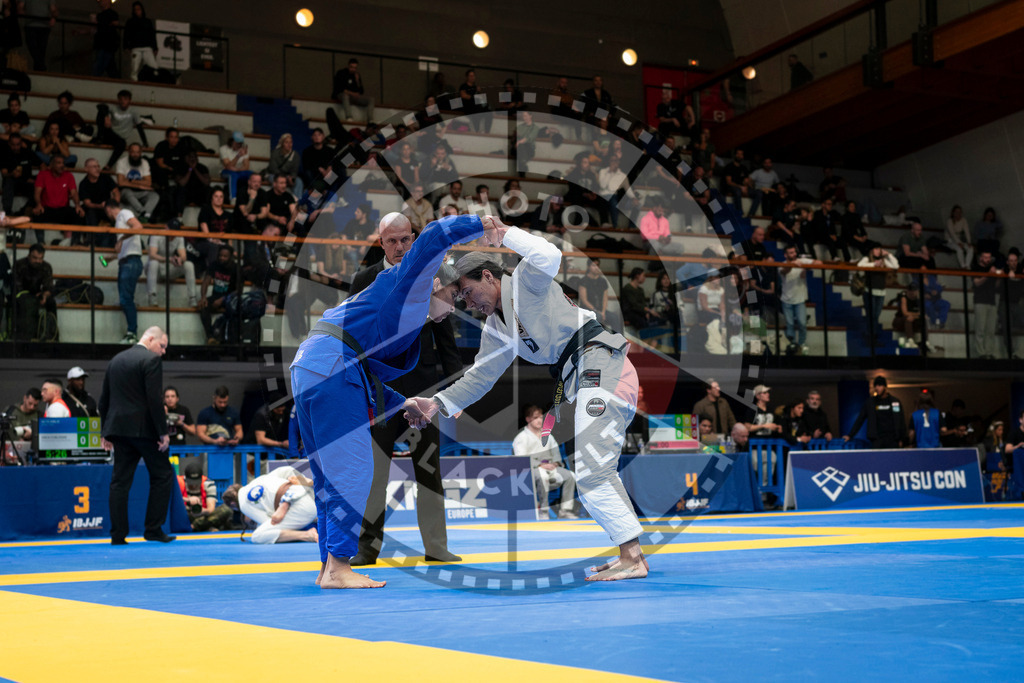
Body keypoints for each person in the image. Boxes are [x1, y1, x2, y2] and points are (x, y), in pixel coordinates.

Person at [409, 218, 648, 582]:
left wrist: (507, 235)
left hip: (600, 364)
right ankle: (629, 554)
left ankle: (633, 558)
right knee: (594, 467)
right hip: (585, 375)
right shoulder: (497, 329)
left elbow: (550, 254)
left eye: (470, 293)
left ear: (489, 277)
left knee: (590, 469)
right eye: (462, 300)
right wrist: (437, 403)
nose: (470, 304)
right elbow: (480, 378)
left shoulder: (524, 283)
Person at [291, 212, 491, 589]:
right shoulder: (410, 288)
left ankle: (328, 566)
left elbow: (366, 373)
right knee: (354, 469)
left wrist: (403, 404)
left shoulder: (409, 314)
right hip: (334, 365)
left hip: (313, 364)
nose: (456, 306)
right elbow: (433, 235)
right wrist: (482, 225)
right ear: (433, 284)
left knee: (326, 475)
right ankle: (339, 567)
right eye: (453, 296)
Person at [347, 213, 463, 566]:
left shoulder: (433, 276)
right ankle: (366, 548)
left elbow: (447, 341)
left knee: (429, 472)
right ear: (380, 242)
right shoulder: (365, 280)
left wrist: (455, 395)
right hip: (379, 396)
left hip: (425, 395)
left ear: (414, 239)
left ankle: (436, 547)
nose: (400, 247)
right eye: (392, 241)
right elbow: (351, 339)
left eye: (406, 240)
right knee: (374, 475)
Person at [99, 326, 174, 544]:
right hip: (145, 431)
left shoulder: (116, 360)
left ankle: (117, 535)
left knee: (120, 481)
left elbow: (104, 399)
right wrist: (163, 431)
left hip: (119, 431)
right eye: (161, 346)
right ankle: (153, 529)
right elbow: (154, 399)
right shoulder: (150, 361)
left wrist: (106, 431)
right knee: (162, 475)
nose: (163, 352)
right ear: (150, 339)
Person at [513, 404, 578, 519]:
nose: (539, 420)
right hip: (531, 471)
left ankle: (565, 510)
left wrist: (555, 463)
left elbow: (556, 454)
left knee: (570, 476)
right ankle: (543, 511)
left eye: (541, 417)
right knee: (543, 476)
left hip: (551, 468)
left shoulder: (548, 435)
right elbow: (521, 459)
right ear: (528, 419)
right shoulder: (521, 437)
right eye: (536, 417)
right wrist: (540, 465)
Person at [222, 466, 318, 544]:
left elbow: (270, 520)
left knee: (258, 536)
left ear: (233, 504)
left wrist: (284, 505)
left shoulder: (243, 505)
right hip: (308, 494)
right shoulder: (259, 479)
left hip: (302, 510)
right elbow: (287, 470)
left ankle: (307, 535)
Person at [106, 198, 145, 344]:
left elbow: (138, 226)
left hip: (130, 262)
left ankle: (132, 333)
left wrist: (121, 237)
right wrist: (110, 258)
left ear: (108, 209)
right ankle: (131, 332)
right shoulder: (121, 220)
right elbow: (127, 247)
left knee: (125, 299)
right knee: (127, 298)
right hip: (128, 261)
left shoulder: (123, 213)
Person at [32, 154, 84, 244]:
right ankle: (41, 242)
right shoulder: (43, 174)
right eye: (58, 163)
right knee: (36, 213)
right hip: (47, 209)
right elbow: (37, 193)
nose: (62, 165)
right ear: (51, 165)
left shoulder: (68, 176)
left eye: (63, 163)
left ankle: (76, 242)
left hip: (62, 210)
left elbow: (74, 193)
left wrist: (77, 205)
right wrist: (38, 205)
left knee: (78, 214)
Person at [145, 219, 198, 307]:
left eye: (175, 231)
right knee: (154, 263)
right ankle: (152, 296)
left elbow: (183, 255)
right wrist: (168, 259)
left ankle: (192, 298)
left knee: (188, 264)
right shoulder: (156, 235)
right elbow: (152, 255)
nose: (173, 234)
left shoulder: (179, 237)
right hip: (154, 269)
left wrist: (180, 259)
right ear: (166, 227)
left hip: (168, 268)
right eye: (171, 230)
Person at [844, 375, 906, 448]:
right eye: (875, 386)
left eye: (880, 385)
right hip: (877, 440)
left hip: (892, 440)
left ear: (885, 387)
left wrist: (902, 439)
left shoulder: (895, 402)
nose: (877, 388)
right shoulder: (870, 403)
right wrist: (850, 435)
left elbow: (901, 421)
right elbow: (860, 419)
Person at [779, 244, 818, 355]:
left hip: (800, 299)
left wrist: (808, 266)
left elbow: (819, 263)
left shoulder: (801, 261)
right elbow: (785, 271)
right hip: (786, 299)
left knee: (802, 323)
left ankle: (802, 344)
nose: (794, 254)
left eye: (794, 252)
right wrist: (794, 264)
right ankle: (791, 344)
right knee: (790, 324)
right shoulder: (780, 265)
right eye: (791, 253)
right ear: (785, 255)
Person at [856, 245, 899, 346]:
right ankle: (870, 337)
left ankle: (872, 336)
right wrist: (874, 264)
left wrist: (888, 254)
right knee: (871, 315)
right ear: (872, 250)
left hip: (881, 292)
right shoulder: (867, 258)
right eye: (876, 248)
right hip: (869, 291)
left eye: (879, 249)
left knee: (876, 315)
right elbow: (860, 265)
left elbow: (896, 266)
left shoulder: (884, 260)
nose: (878, 251)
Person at [198, 244, 239, 344]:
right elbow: (206, 281)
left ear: (230, 257)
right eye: (220, 255)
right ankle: (210, 337)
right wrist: (203, 297)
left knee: (235, 311)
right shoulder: (214, 264)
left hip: (230, 298)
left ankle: (229, 340)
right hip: (216, 296)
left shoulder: (236, 268)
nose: (222, 258)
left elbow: (238, 290)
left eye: (225, 256)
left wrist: (223, 299)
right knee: (203, 307)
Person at [176, 460, 233, 531]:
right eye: (191, 482)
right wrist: (187, 500)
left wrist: (202, 511)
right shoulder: (178, 482)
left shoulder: (208, 483)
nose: (193, 485)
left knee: (226, 509)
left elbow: (210, 510)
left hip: (203, 515)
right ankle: (205, 527)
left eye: (196, 482)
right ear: (185, 478)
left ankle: (195, 526)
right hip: (184, 515)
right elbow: (170, 500)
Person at [116, 143, 160, 223]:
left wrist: (131, 181)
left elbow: (148, 183)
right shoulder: (121, 162)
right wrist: (140, 185)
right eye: (133, 152)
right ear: (129, 152)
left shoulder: (144, 163)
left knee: (154, 195)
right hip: (126, 193)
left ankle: (143, 215)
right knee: (127, 191)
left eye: (137, 152)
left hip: (140, 193)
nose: (135, 155)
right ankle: (143, 212)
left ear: (141, 153)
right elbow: (121, 183)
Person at [77, 157, 118, 239]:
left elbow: (116, 192)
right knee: (88, 212)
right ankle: (91, 240)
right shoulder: (83, 183)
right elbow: (87, 203)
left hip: (108, 207)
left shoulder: (105, 177)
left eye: (98, 166)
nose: (97, 169)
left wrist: (114, 204)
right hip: (94, 208)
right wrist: (100, 206)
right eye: (94, 167)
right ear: (86, 169)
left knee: (117, 213)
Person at [971, 250, 1002, 359]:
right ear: (981, 258)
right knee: (980, 329)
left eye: (989, 257)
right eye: (985, 257)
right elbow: (976, 283)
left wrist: (998, 277)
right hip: (980, 301)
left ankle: (989, 351)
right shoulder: (976, 268)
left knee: (990, 329)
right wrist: (988, 274)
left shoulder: (992, 268)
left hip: (992, 300)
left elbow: (996, 286)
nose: (987, 259)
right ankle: (981, 353)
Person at [1, 133, 38, 215]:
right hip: (12, 182)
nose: (16, 147)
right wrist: (12, 174)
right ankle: (7, 212)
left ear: (21, 143)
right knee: (8, 182)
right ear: (9, 143)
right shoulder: (5, 154)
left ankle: (23, 212)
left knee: (38, 186)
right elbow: (4, 174)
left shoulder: (27, 152)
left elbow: (42, 165)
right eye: (13, 145)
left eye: (18, 145)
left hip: (26, 182)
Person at [123, 1, 158, 82]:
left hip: (147, 47)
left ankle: (154, 81)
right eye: (135, 10)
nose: (137, 11)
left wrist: (155, 47)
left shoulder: (147, 21)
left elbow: (152, 35)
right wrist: (126, 46)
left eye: (138, 9)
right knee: (134, 67)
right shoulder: (130, 22)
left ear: (142, 10)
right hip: (136, 47)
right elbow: (126, 34)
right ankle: (134, 81)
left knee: (153, 66)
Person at [332, 57, 374, 122]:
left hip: (353, 97)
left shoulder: (356, 75)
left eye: (355, 68)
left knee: (371, 99)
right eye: (351, 67)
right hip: (342, 95)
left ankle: (370, 119)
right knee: (345, 96)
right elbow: (340, 88)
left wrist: (357, 81)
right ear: (348, 66)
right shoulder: (341, 73)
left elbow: (361, 91)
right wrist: (352, 93)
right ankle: (349, 117)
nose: (353, 69)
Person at [265, 133, 302, 200]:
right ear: (282, 143)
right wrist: (285, 177)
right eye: (286, 142)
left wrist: (292, 178)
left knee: (299, 181)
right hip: (275, 174)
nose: (289, 144)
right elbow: (273, 168)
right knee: (276, 179)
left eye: (290, 142)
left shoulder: (295, 155)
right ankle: (276, 199)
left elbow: (294, 170)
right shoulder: (275, 153)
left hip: (288, 176)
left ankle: (297, 201)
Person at [23, 0, 57, 72]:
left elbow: (53, 9)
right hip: (31, 25)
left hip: (43, 26)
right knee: (34, 48)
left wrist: (53, 17)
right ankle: (41, 68)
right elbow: (20, 7)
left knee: (41, 50)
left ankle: (39, 68)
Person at [219, 131, 251, 202]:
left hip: (239, 171)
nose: (239, 145)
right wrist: (238, 156)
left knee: (252, 174)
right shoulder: (223, 149)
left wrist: (237, 170)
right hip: (226, 171)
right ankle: (233, 198)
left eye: (240, 143)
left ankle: (250, 197)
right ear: (232, 141)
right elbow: (228, 166)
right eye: (237, 143)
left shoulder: (244, 150)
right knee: (233, 175)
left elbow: (246, 166)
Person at [577, 259, 611, 327]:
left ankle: (619, 337)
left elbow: (605, 299)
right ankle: (599, 336)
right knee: (598, 316)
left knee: (615, 317)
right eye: (594, 265)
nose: (596, 267)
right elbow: (584, 300)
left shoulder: (603, 281)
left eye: (598, 265)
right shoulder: (583, 281)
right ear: (588, 267)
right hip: (588, 310)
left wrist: (603, 312)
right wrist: (596, 310)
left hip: (601, 310)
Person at [91, 0, 119, 78]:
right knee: (106, 64)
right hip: (102, 43)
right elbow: (95, 29)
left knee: (101, 64)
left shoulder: (112, 14)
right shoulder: (100, 16)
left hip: (108, 44)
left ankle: (95, 80)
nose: (101, 3)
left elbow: (115, 23)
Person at [945, 205, 973, 269]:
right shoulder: (949, 221)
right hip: (950, 241)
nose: (958, 214)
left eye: (960, 212)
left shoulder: (963, 220)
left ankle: (967, 265)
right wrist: (958, 242)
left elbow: (967, 232)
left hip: (959, 240)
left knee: (970, 248)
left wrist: (969, 242)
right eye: (956, 212)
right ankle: (962, 266)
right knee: (959, 249)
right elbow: (952, 234)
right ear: (953, 213)